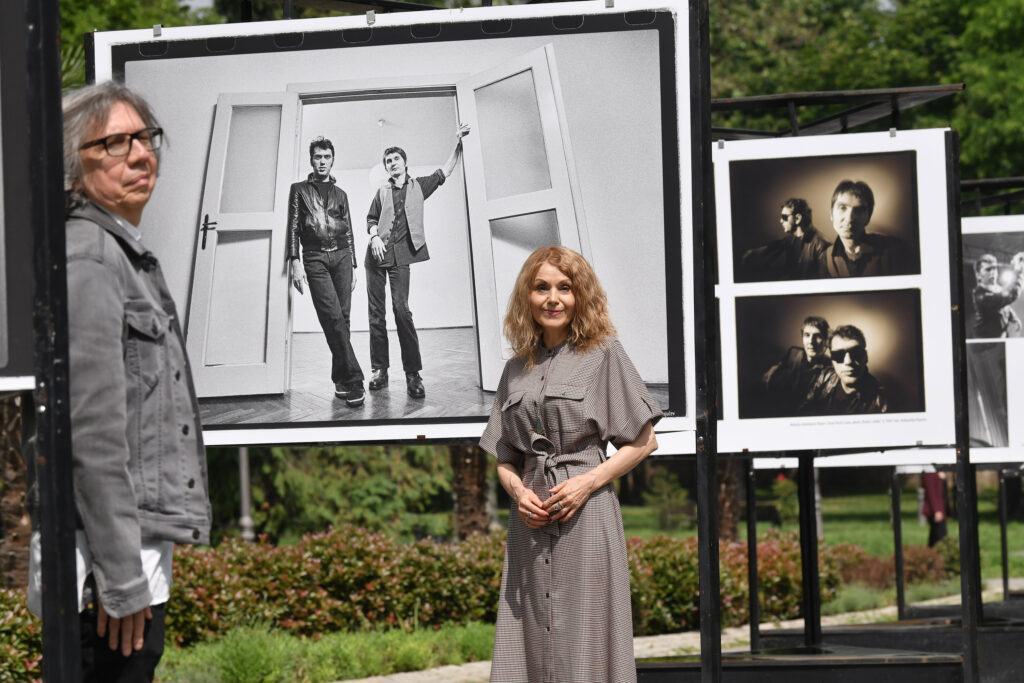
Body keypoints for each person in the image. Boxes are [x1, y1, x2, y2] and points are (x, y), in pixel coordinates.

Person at [24, 82, 211, 682]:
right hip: (99, 573)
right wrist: (122, 577)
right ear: (73, 168)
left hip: (121, 559)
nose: (139, 154)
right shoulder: (92, 259)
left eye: (144, 137)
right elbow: (91, 434)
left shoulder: (119, 253)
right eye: (113, 143)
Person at [480, 246, 661, 683]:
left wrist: (587, 482)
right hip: (531, 522)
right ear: (528, 297)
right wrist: (520, 493)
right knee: (528, 628)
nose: (553, 298)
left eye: (565, 288)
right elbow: (505, 459)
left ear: (581, 296)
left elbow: (644, 442)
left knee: (586, 631)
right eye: (542, 288)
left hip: (587, 515)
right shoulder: (514, 371)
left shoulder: (604, 355)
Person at [364, 124, 471, 398]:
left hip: (401, 257)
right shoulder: (382, 191)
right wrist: (374, 236)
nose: (391, 164)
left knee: (402, 311)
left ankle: (413, 374)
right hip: (376, 257)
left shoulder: (419, 186)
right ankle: (380, 370)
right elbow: (371, 219)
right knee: (377, 315)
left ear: (405, 162)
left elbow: (445, 171)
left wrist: (457, 144)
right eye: (388, 161)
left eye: (395, 159)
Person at [287, 136, 365, 407]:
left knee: (343, 318)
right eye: (318, 157)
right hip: (315, 257)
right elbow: (293, 227)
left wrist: (353, 264)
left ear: (332, 160)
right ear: (312, 159)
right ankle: (355, 379)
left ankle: (340, 377)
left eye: (327, 157)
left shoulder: (341, 193)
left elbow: (351, 231)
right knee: (331, 317)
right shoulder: (298, 189)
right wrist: (294, 260)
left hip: (342, 256)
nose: (322, 162)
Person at [819, 180, 914, 278]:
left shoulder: (894, 250)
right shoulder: (825, 258)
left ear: (868, 217)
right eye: (842, 208)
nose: (849, 219)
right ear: (831, 215)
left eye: (859, 210)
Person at [800, 324, 888, 415]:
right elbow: (804, 410)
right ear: (831, 359)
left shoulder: (880, 402)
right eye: (839, 355)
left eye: (856, 353)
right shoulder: (824, 376)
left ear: (865, 357)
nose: (848, 361)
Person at [740, 198, 828, 280]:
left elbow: (823, 283)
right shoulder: (793, 239)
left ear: (797, 219)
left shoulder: (822, 245)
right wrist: (753, 253)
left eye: (784, 217)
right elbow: (773, 246)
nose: (781, 221)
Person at [761, 316, 831, 415]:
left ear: (825, 340)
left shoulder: (830, 367)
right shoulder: (793, 352)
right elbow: (777, 369)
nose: (811, 341)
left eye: (817, 336)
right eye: (807, 335)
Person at [971, 252, 1024, 338]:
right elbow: (1008, 295)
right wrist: (1018, 272)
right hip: (987, 343)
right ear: (978, 275)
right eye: (988, 269)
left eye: (994, 268)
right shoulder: (980, 295)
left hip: (1001, 337)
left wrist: (1013, 318)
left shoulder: (997, 288)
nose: (993, 272)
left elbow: (1003, 305)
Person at [921, 471, 949, 547]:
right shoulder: (930, 472)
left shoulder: (938, 472)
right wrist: (937, 510)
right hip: (935, 510)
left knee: (936, 536)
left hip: (940, 509)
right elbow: (931, 493)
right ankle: (935, 555)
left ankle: (931, 555)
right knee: (940, 537)